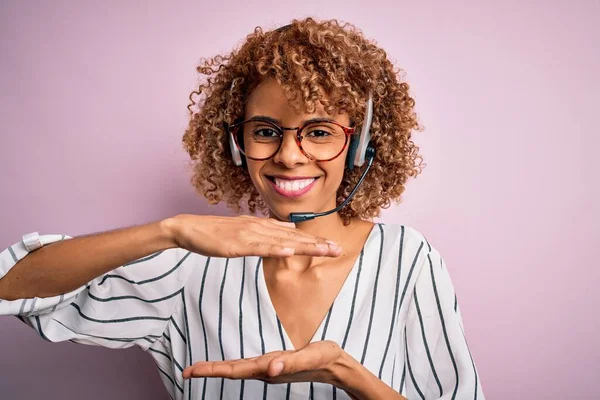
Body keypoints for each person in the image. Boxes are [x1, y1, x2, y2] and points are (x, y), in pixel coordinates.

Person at [0, 17, 485, 400]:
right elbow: (10, 287)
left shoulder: (406, 258)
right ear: (237, 145)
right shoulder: (187, 262)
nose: (290, 156)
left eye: (319, 132)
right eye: (267, 131)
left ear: (359, 148)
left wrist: (345, 374)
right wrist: (170, 231)